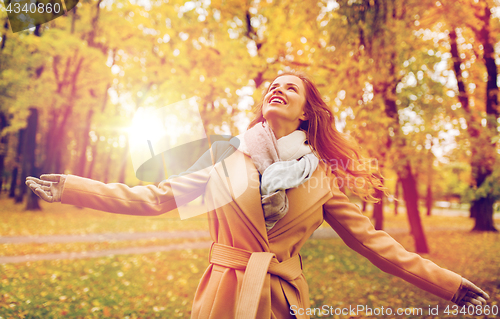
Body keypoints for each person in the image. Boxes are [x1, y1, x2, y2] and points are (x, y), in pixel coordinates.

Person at [26, 72, 489, 319]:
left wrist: (449, 286)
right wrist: (73, 188)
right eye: (273, 85)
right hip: (224, 298)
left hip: (283, 301)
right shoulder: (224, 160)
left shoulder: (323, 180)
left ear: (307, 112)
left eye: (291, 87)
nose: (278, 89)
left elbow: (376, 245)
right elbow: (152, 198)